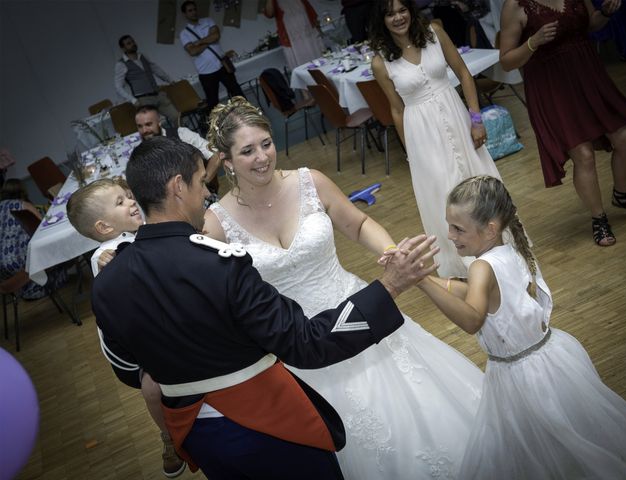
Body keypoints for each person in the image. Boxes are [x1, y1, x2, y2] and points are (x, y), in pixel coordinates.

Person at [92, 135, 439, 479]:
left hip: (199, 436)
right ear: (178, 187)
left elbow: (128, 370)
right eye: (200, 183)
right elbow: (307, 343)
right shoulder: (220, 266)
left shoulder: (107, 282)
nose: (206, 195)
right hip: (269, 427)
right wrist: (390, 286)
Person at [202, 97, 484, 479]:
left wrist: (390, 252)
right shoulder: (216, 223)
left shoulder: (309, 182)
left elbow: (358, 224)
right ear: (226, 159)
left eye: (266, 143)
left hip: (359, 312)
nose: (262, 157)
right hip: (297, 342)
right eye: (247, 151)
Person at [415, 175, 626, 479]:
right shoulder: (510, 247)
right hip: (550, 355)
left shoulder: (481, 267)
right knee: (565, 432)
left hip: (520, 373)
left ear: (490, 228)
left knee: (541, 442)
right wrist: (428, 278)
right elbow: (475, 291)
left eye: (458, 228)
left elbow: (472, 318)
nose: (450, 235)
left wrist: (421, 284)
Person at [369, 0, 502, 278]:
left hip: (458, 118)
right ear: (382, 20)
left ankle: (499, 248)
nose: (398, 18)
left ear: (411, 10)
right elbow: (397, 109)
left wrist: (476, 119)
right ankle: (467, 267)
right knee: (447, 194)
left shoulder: (435, 33)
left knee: (480, 181)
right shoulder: (381, 62)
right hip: (422, 135)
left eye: (402, 10)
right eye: (390, 14)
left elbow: (464, 73)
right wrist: (411, 154)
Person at [66, 179, 186, 478]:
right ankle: (168, 437)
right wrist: (108, 262)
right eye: (120, 202)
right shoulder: (106, 254)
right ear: (104, 228)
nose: (132, 202)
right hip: (137, 344)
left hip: (166, 323)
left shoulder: (144, 230)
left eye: (129, 196)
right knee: (151, 387)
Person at [500, 0, 626, 246]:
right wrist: (533, 42)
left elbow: (590, 24)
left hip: (588, 75)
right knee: (583, 154)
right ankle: (599, 218)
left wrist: (605, 13)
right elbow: (507, 61)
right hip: (552, 87)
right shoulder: (515, 6)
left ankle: (622, 194)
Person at [0, 179, 66, 299]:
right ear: (22, 191)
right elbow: (43, 228)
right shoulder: (23, 205)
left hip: (4, 268)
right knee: (59, 250)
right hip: (25, 261)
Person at [135, 105, 220, 192]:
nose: (144, 130)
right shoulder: (143, 150)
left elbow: (216, 155)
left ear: (159, 122)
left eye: (148, 124)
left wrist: (203, 184)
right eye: (140, 126)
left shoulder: (181, 135)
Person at [179, 0, 244, 110]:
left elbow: (216, 36)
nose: (194, 12)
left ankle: (250, 117)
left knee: (237, 94)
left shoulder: (208, 21)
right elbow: (192, 52)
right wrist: (209, 39)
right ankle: (215, 126)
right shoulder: (184, 34)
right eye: (190, 11)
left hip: (222, 65)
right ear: (185, 14)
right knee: (213, 103)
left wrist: (199, 42)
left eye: (195, 9)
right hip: (206, 72)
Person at [115, 35, 180, 127]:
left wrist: (170, 80)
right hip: (144, 99)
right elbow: (118, 86)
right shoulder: (121, 64)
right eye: (129, 43)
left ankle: (183, 139)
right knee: (154, 126)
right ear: (123, 48)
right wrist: (133, 100)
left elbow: (156, 69)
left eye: (133, 41)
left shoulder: (143, 56)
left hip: (157, 94)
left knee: (177, 117)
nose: (133, 44)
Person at [263, 0, 326, 70]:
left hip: (309, 33)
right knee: (303, 66)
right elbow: (269, 13)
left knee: (320, 60)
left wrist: (318, 28)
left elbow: (309, 9)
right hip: (292, 39)